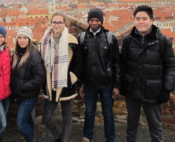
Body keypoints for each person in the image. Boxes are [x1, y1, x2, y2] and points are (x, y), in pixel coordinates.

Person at [120, 5, 175, 142]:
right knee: (131, 125)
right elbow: (122, 64)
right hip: (132, 89)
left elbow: (171, 67)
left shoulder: (163, 41)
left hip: (153, 90)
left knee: (155, 127)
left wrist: (167, 88)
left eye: (144, 18)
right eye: (138, 19)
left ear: (151, 20)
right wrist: (120, 84)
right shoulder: (128, 40)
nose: (141, 22)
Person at [77, 8, 121, 142]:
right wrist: (80, 84)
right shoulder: (82, 38)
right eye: (92, 20)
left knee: (108, 114)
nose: (94, 23)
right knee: (89, 113)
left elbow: (116, 63)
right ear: (88, 21)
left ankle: (110, 139)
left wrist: (117, 85)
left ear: (102, 21)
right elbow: (79, 63)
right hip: (89, 83)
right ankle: (87, 137)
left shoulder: (109, 37)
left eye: (97, 20)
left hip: (106, 83)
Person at [41, 12, 83, 142]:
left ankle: (64, 140)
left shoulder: (72, 40)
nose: (57, 25)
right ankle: (59, 137)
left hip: (67, 84)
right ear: (51, 23)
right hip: (50, 84)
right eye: (54, 22)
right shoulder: (44, 40)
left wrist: (72, 78)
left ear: (64, 23)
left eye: (60, 22)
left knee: (67, 117)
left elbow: (79, 63)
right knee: (46, 118)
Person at [11, 27, 45, 142]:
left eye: (25, 38)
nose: (22, 40)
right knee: (27, 120)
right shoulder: (17, 53)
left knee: (21, 123)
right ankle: (32, 137)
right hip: (20, 95)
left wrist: (23, 86)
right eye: (19, 37)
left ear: (29, 39)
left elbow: (40, 77)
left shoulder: (34, 55)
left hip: (28, 96)